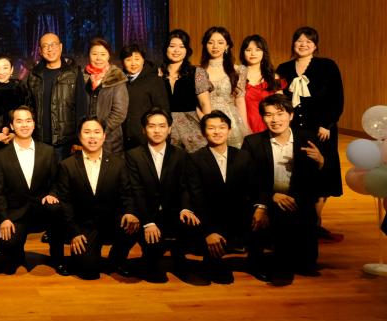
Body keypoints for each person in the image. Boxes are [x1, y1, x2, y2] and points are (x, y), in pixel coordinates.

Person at [241, 94, 325, 278]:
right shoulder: (252, 142)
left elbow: (317, 179)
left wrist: (321, 162)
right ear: (263, 118)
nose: (275, 120)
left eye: (280, 114)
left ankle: (299, 260)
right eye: (268, 115)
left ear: (291, 115)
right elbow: (247, 180)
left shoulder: (308, 138)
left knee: (304, 218)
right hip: (266, 198)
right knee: (259, 213)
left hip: (297, 198)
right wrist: (270, 197)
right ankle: (258, 262)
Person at [115, 108, 200, 283]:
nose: (157, 130)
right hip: (145, 214)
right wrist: (148, 222)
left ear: (169, 129)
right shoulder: (133, 155)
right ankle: (135, 257)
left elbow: (185, 186)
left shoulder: (180, 155)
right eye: (152, 126)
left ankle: (179, 258)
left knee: (191, 221)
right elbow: (136, 190)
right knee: (155, 271)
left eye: (162, 126)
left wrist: (186, 208)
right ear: (144, 129)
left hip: (171, 213)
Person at [275, 26, 344, 234]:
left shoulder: (327, 66)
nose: (303, 44)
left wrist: (327, 123)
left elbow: (337, 98)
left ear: (315, 45)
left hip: (321, 129)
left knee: (324, 173)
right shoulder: (284, 68)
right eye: (299, 41)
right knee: (300, 172)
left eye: (308, 41)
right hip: (294, 129)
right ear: (293, 44)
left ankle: (316, 221)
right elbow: (279, 99)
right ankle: (302, 219)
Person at [53, 118, 138, 280]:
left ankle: (116, 260)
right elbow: (66, 203)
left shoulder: (118, 163)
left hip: (111, 221)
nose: (92, 137)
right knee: (89, 272)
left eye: (97, 132)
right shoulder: (67, 165)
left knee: (134, 223)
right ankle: (87, 256)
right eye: (87, 132)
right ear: (80, 136)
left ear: (104, 136)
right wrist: (74, 233)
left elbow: (127, 193)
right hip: (84, 225)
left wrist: (130, 212)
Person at [185, 111, 258, 284]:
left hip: (238, 215)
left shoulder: (243, 156)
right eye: (211, 128)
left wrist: (260, 208)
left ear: (229, 130)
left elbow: (253, 187)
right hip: (209, 217)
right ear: (203, 132)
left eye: (222, 127)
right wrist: (209, 230)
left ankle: (255, 262)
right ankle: (212, 259)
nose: (217, 132)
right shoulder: (195, 159)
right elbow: (197, 196)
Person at [0, 106, 64, 274]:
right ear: (11, 125)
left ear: (33, 123)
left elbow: (57, 181)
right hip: (16, 213)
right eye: (19, 121)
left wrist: (52, 194)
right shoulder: (1, 156)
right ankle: (17, 252)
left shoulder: (48, 151)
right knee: (8, 249)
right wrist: (4, 219)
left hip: (42, 210)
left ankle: (58, 257)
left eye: (28, 120)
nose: (24, 125)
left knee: (57, 209)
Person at [24, 32, 87, 159]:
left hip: (66, 142)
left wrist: (79, 139)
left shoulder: (74, 72)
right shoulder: (34, 75)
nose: (50, 49)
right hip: (39, 141)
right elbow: (29, 106)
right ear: (40, 51)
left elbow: (81, 108)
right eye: (45, 46)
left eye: (53, 44)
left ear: (61, 47)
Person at [161, 29, 213, 152]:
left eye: (181, 46)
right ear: (166, 49)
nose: (176, 50)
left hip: (191, 128)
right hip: (164, 127)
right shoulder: (157, 73)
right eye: (172, 46)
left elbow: (205, 104)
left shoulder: (197, 72)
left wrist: (209, 127)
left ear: (187, 50)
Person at [200, 26, 249, 147]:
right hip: (205, 118)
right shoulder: (198, 71)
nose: (215, 46)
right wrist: (204, 121)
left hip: (231, 120)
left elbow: (240, 100)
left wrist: (245, 126)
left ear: (227, 46)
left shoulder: (238, 70)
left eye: (220, 42)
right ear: (205, 45)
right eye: (210, 42)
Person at [82, 38, 128, 154]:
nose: (98, 58)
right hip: (84, 139)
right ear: (89, 55)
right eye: (94, 54)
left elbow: (119, 113)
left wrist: (99, 131)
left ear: (108, 56)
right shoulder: (82, 76)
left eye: (103, 54)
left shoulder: (117, 77)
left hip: (110, 140)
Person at [120, 44, 169, 152]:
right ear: (123, 62)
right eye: (128, 60)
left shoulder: (155, 81)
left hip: (145, 138)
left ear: (143, 60)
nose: (133, 63)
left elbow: (163, 110)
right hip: (122, 139)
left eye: (137, 59)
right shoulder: (120, 80)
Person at [240, 34, 284, 135]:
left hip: (269, 124)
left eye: (258, 50)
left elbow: (281, 104)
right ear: (243, 53)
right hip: (243, 124)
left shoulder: (274, 77)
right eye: (248, 50)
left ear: (264, 52)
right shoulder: (237, 75)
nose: (253, 53)